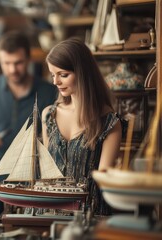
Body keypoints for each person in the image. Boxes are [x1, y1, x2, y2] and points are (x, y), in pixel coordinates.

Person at [0, 30, 57, 217]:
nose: (12, 69)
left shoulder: (49, 91)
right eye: (6, 63)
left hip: (34, 178)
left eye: (18, 63)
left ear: (28, 59)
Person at [41, 38, 124, 215]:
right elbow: (47, 170)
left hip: (89, 213)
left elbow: (104, 180)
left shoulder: (109, 123)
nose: (55, 82)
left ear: (83, 73)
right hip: (48, 210)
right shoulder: (49, 115)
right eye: (52, 75)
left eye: (63, 75)